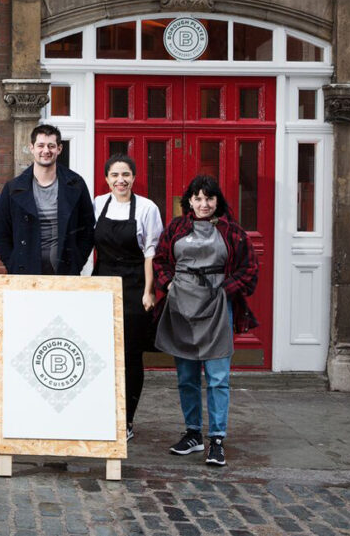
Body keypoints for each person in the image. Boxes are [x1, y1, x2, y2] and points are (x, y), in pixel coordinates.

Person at [153, 175, 258, 467]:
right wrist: (170, 285)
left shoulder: (232, 232)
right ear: (189, 201)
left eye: (209, 199)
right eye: (198, 199)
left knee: (217, 377)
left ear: (217, 201)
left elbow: (249, 268)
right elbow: (160, 260)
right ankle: (192, 434)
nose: (203, 204)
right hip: (181, 305)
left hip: (216, 306)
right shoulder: (176, 228)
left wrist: (225, 290)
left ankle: (218, 440)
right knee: (186, 376)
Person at [92, 154, 163, 442]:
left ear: (134, 177)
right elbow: (88, 243)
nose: (120, 180)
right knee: (102, 354)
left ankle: (127, 419)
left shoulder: (147, 208)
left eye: (126, 175)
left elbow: (151, 252)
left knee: (131, 356)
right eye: (114, 175)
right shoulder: (98, 204)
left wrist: (149, 291)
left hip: (134, 287)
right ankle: (102, 413)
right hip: (103, 284)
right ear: (107, 178)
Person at [0, 124, 95, 276]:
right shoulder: (13, 188)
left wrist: (77, 262)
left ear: (59, 149)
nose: (46, 151)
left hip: (65, 271)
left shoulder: (76, 184)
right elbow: (2, 232)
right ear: (32, 148)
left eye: (51, 146)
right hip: (25, 272)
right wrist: (13, 263)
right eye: (40, 145)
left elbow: (87, 228)